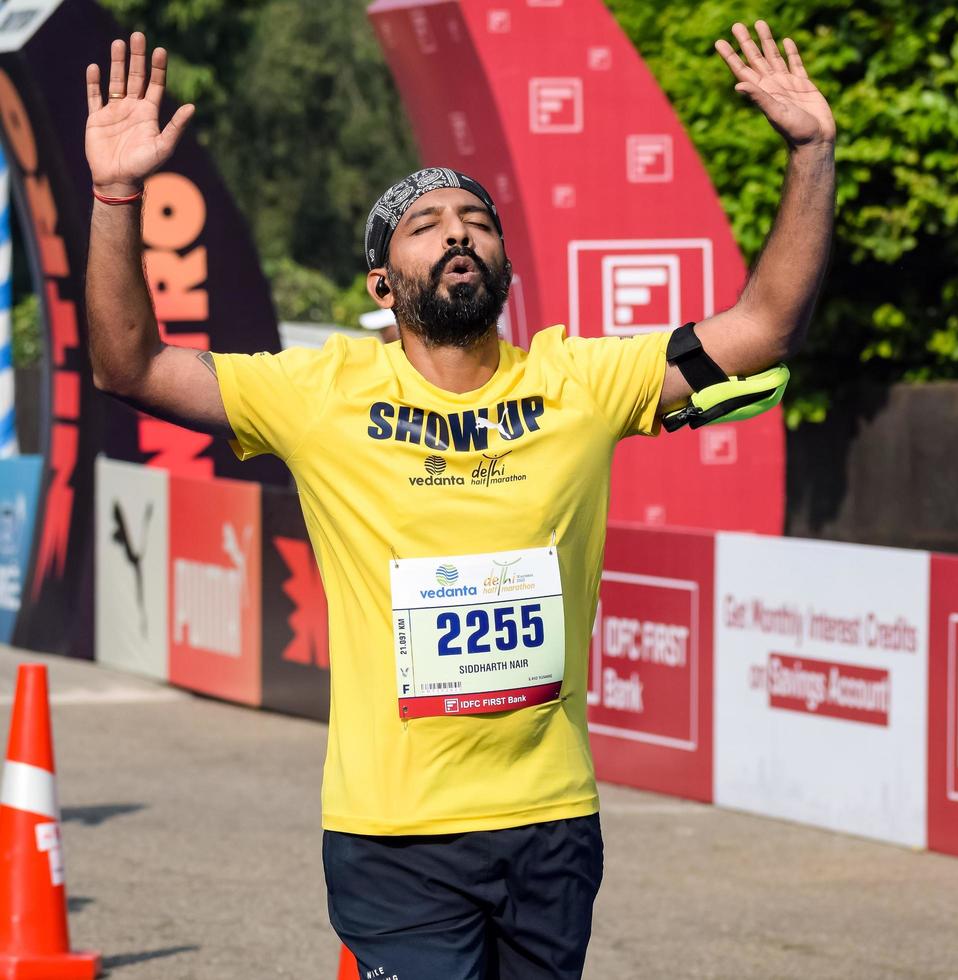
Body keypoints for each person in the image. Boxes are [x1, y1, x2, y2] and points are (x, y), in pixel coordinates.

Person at [84, 21, 835, 980]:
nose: (457, 234)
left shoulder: (582, 379)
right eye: (426, 225)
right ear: (382, 281)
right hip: (395, 833)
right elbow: (129, 365)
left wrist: (812, 152)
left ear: (505, 267)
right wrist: (117, 194)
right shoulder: (320, 393)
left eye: (476, 221)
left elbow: (763, 328)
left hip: (550, 823)